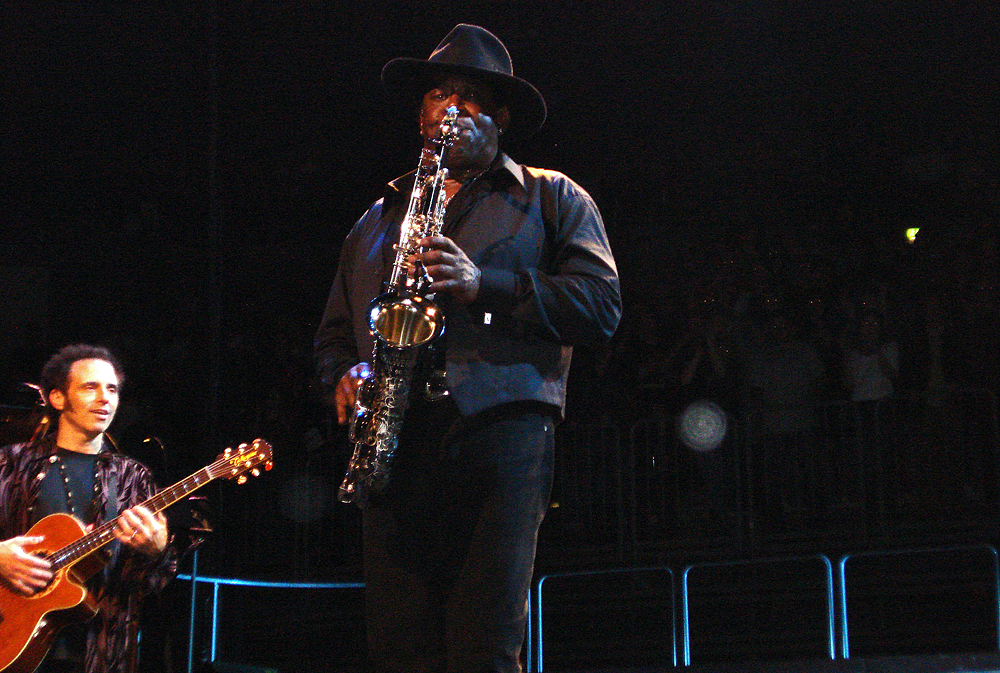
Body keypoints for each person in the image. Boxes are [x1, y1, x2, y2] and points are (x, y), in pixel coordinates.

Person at [314, 24, 621, 673]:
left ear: (501, 117)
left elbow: (601, 307)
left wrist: (486, 285)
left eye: (470, 98)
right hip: (395, 442)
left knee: (483, 643)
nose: (449, 110)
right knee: (400, 648)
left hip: (501, 438)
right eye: (436, 96)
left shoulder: (550, 196)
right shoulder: (375, 221)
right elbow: (336, 336)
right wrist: (346, 374)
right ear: (420, 113)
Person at [0, 344, 176, 673]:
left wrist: (159, 550)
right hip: (11, 642)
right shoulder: (11, 464)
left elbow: (155, 583)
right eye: (90, 387)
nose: (104, 398)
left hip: (102, 652)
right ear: (57, 398)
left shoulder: (132, 478)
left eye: (112, 389)